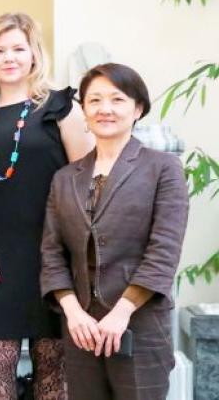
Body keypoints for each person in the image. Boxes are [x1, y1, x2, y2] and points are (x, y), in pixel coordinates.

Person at [0, 13, 93, 400]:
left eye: (18, 48)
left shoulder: (61, 107)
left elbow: (87, 184)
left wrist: (79, 256)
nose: (9, 58)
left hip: (53, 254)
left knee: (51, 362)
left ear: (34, 53)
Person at [41, 63, 189, 400]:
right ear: (83, 110)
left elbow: (164, 251)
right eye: (94, 100)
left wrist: (121, 312)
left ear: (138, 109)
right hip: (81, 328)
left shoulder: (163, 168)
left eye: (117, 99)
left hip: (141, 323)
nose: (104, 109)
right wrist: (73, 312)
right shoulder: (65, 178)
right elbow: (52, 253)